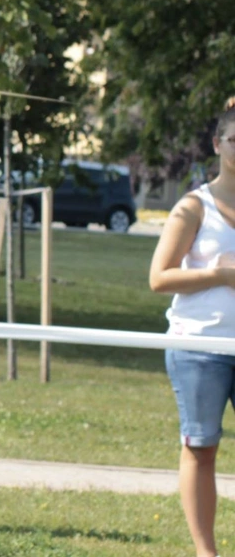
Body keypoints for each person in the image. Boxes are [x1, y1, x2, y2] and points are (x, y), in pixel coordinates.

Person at [149, 98, 235, 557]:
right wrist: (220, 275)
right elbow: (159, 278)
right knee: (201, 447)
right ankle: (207, 552)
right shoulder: (193, 206)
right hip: (200, 347)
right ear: (218, 144)